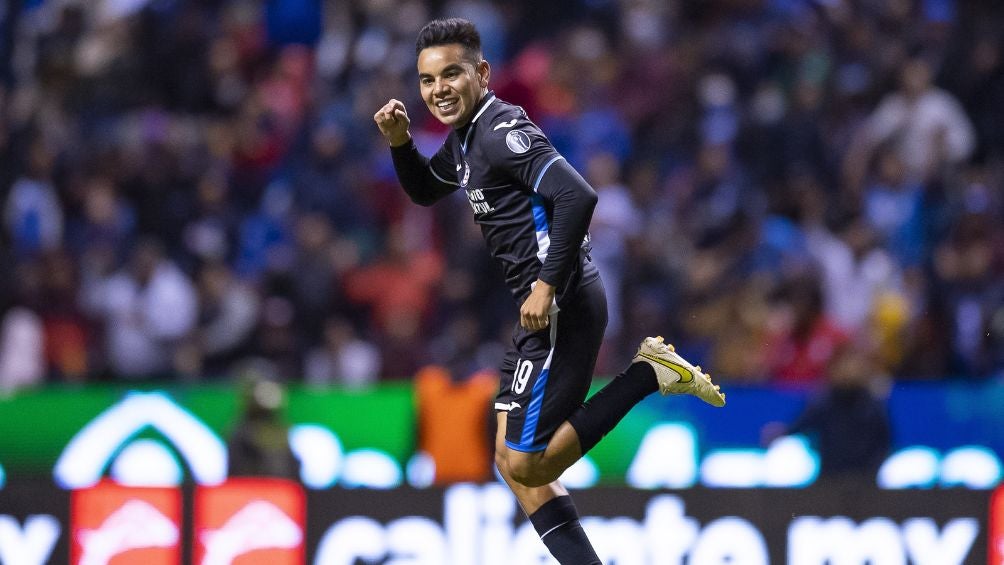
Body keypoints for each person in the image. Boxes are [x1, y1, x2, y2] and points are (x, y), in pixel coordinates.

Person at [374, 18, 725, 564]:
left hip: (559, 303)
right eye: (426, 80)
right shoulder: (465, 137)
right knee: (509, 462)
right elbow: (424, 189)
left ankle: (649, 373)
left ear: (482, 73)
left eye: (451, 74)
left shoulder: (499, 130)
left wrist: (544, 285)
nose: (437, 89)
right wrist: (400, 143)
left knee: (531, 464)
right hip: (539, 308)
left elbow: (578, 197)